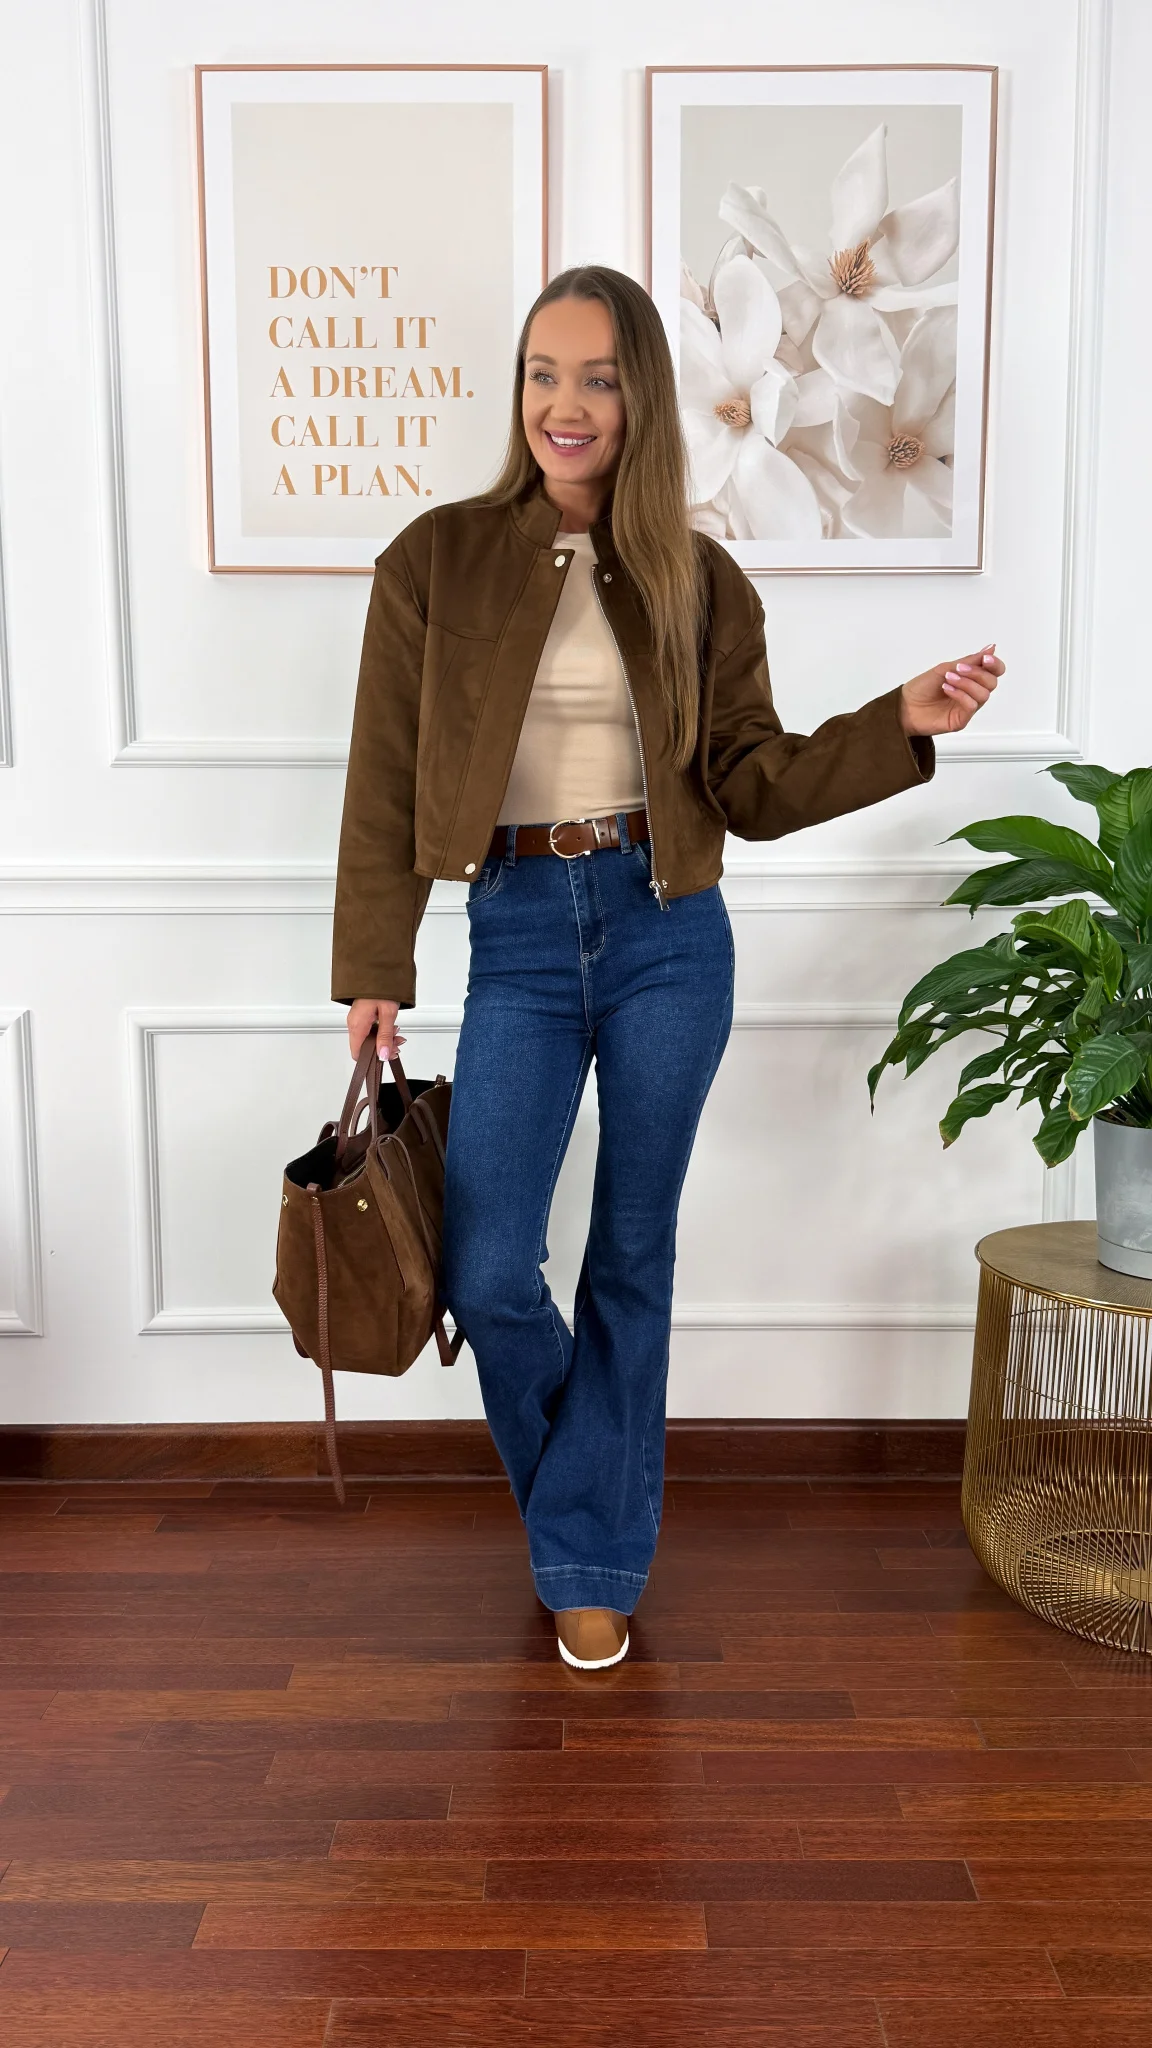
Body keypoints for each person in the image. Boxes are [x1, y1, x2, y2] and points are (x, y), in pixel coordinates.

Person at [331, 265, 1003, 1671]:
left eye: (597, 377)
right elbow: (384, 778)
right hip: (515, 931)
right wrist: (372, 964)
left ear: (641, 395)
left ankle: (588, 1559)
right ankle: (591, 1519)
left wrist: (897, 722)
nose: (564, 405)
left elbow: (752, 783)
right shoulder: (435, 560)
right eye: (543, 373)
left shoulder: (700, 578)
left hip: (667, 933)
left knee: (633, 1255)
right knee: (488, 1267)